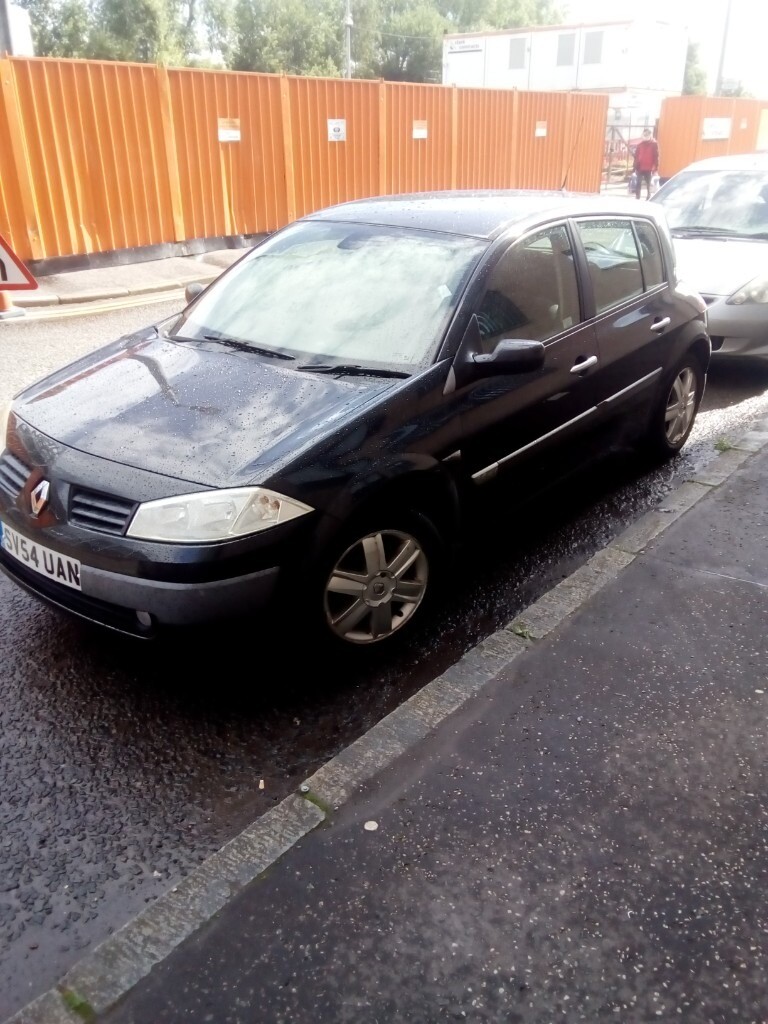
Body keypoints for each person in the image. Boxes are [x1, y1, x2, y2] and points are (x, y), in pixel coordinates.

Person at [633, 128, 659, 200]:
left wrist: (656, 168)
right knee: (638, 182)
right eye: (644, 134)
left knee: (648, 183)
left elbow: (656, 156)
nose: (645, 136)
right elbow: (636, 156)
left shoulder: (654, 144)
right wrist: (634, 167)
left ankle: (648, 196)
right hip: (640, 167)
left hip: (649, 168)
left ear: (650, 135)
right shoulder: (640, 145)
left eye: (647, 134)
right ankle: (637, 197)